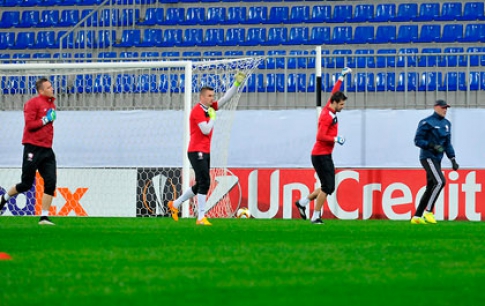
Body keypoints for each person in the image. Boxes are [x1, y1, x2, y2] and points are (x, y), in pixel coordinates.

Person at [167, 72, 246, 226]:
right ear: (202, 97)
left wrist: (236, 84)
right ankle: (201, 217)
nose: (212, 98)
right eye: (209, 96)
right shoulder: (198, 111)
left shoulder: (208, 109)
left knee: (200, 184)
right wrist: (213, 117)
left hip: (204, 151)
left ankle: (175, 204)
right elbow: (205, 130)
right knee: (205, 182)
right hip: (196, 151)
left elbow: (225, 99)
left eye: (212, 95)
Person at [294, 67, 352, 224]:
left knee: (328, 186)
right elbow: (319, 136)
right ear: (335, 103)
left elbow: (334, 92)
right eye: (341, 104)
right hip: (321, 155)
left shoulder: (329, 107)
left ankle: (303, 202)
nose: (342, 106)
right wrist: (335, 139)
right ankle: (315, 216)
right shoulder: (327, 116)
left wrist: (341, 78)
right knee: (328, 187)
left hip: (323, 154)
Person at [0, 78, 57, 225]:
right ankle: (4, 198)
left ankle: (44, 217)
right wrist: (46, 119)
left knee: (51, 182)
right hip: (32, 148)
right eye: (49, 87)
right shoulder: (32, 103)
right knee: (26, 184)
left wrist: (48, 119)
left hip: (47, 149)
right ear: (41, 91)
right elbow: (30, 125)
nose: (52, 89)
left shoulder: (51, 105)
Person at [411, 99, 459, 224]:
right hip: (427, 157)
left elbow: (448, 144)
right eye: (443, 107)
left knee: (431, 186)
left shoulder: (447, 124)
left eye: (446, 108)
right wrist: (431, 145)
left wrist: (452, 159)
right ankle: (428, 211)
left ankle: (416, 217)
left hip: (438, 159)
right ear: (436, 107)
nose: (445, 110)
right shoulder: (426, 122)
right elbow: (417, 140)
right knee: (440, 181)